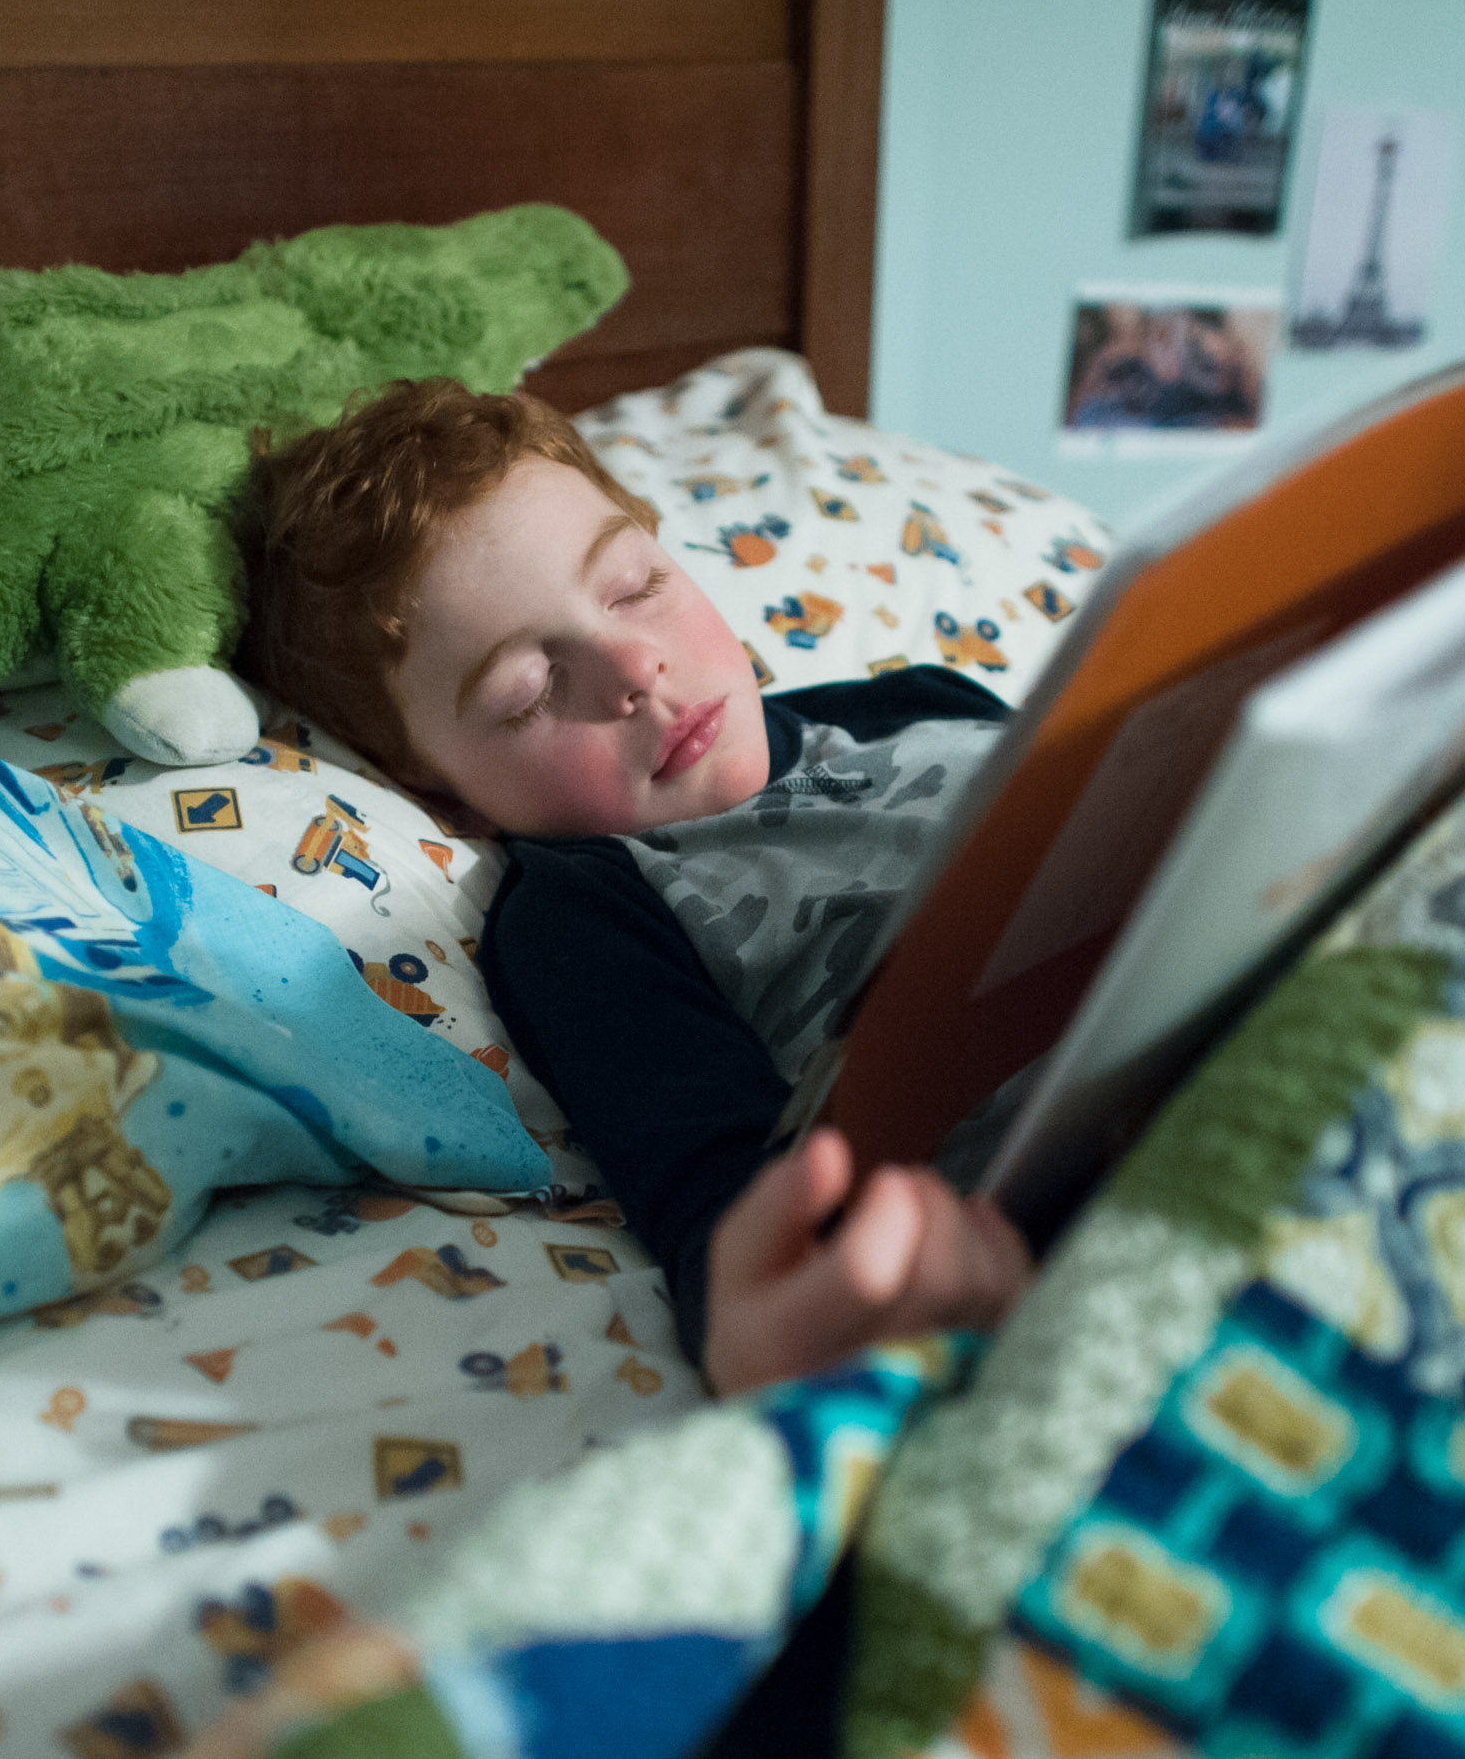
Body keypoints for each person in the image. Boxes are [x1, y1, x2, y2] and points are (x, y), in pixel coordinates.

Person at [240, 380, 1033, 1394]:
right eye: (526, 694)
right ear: (439, 792)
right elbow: (713, 1197)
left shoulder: (921, 697)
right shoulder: (585, 912)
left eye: (631, 586)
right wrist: (765, 1322)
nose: (630, 665)